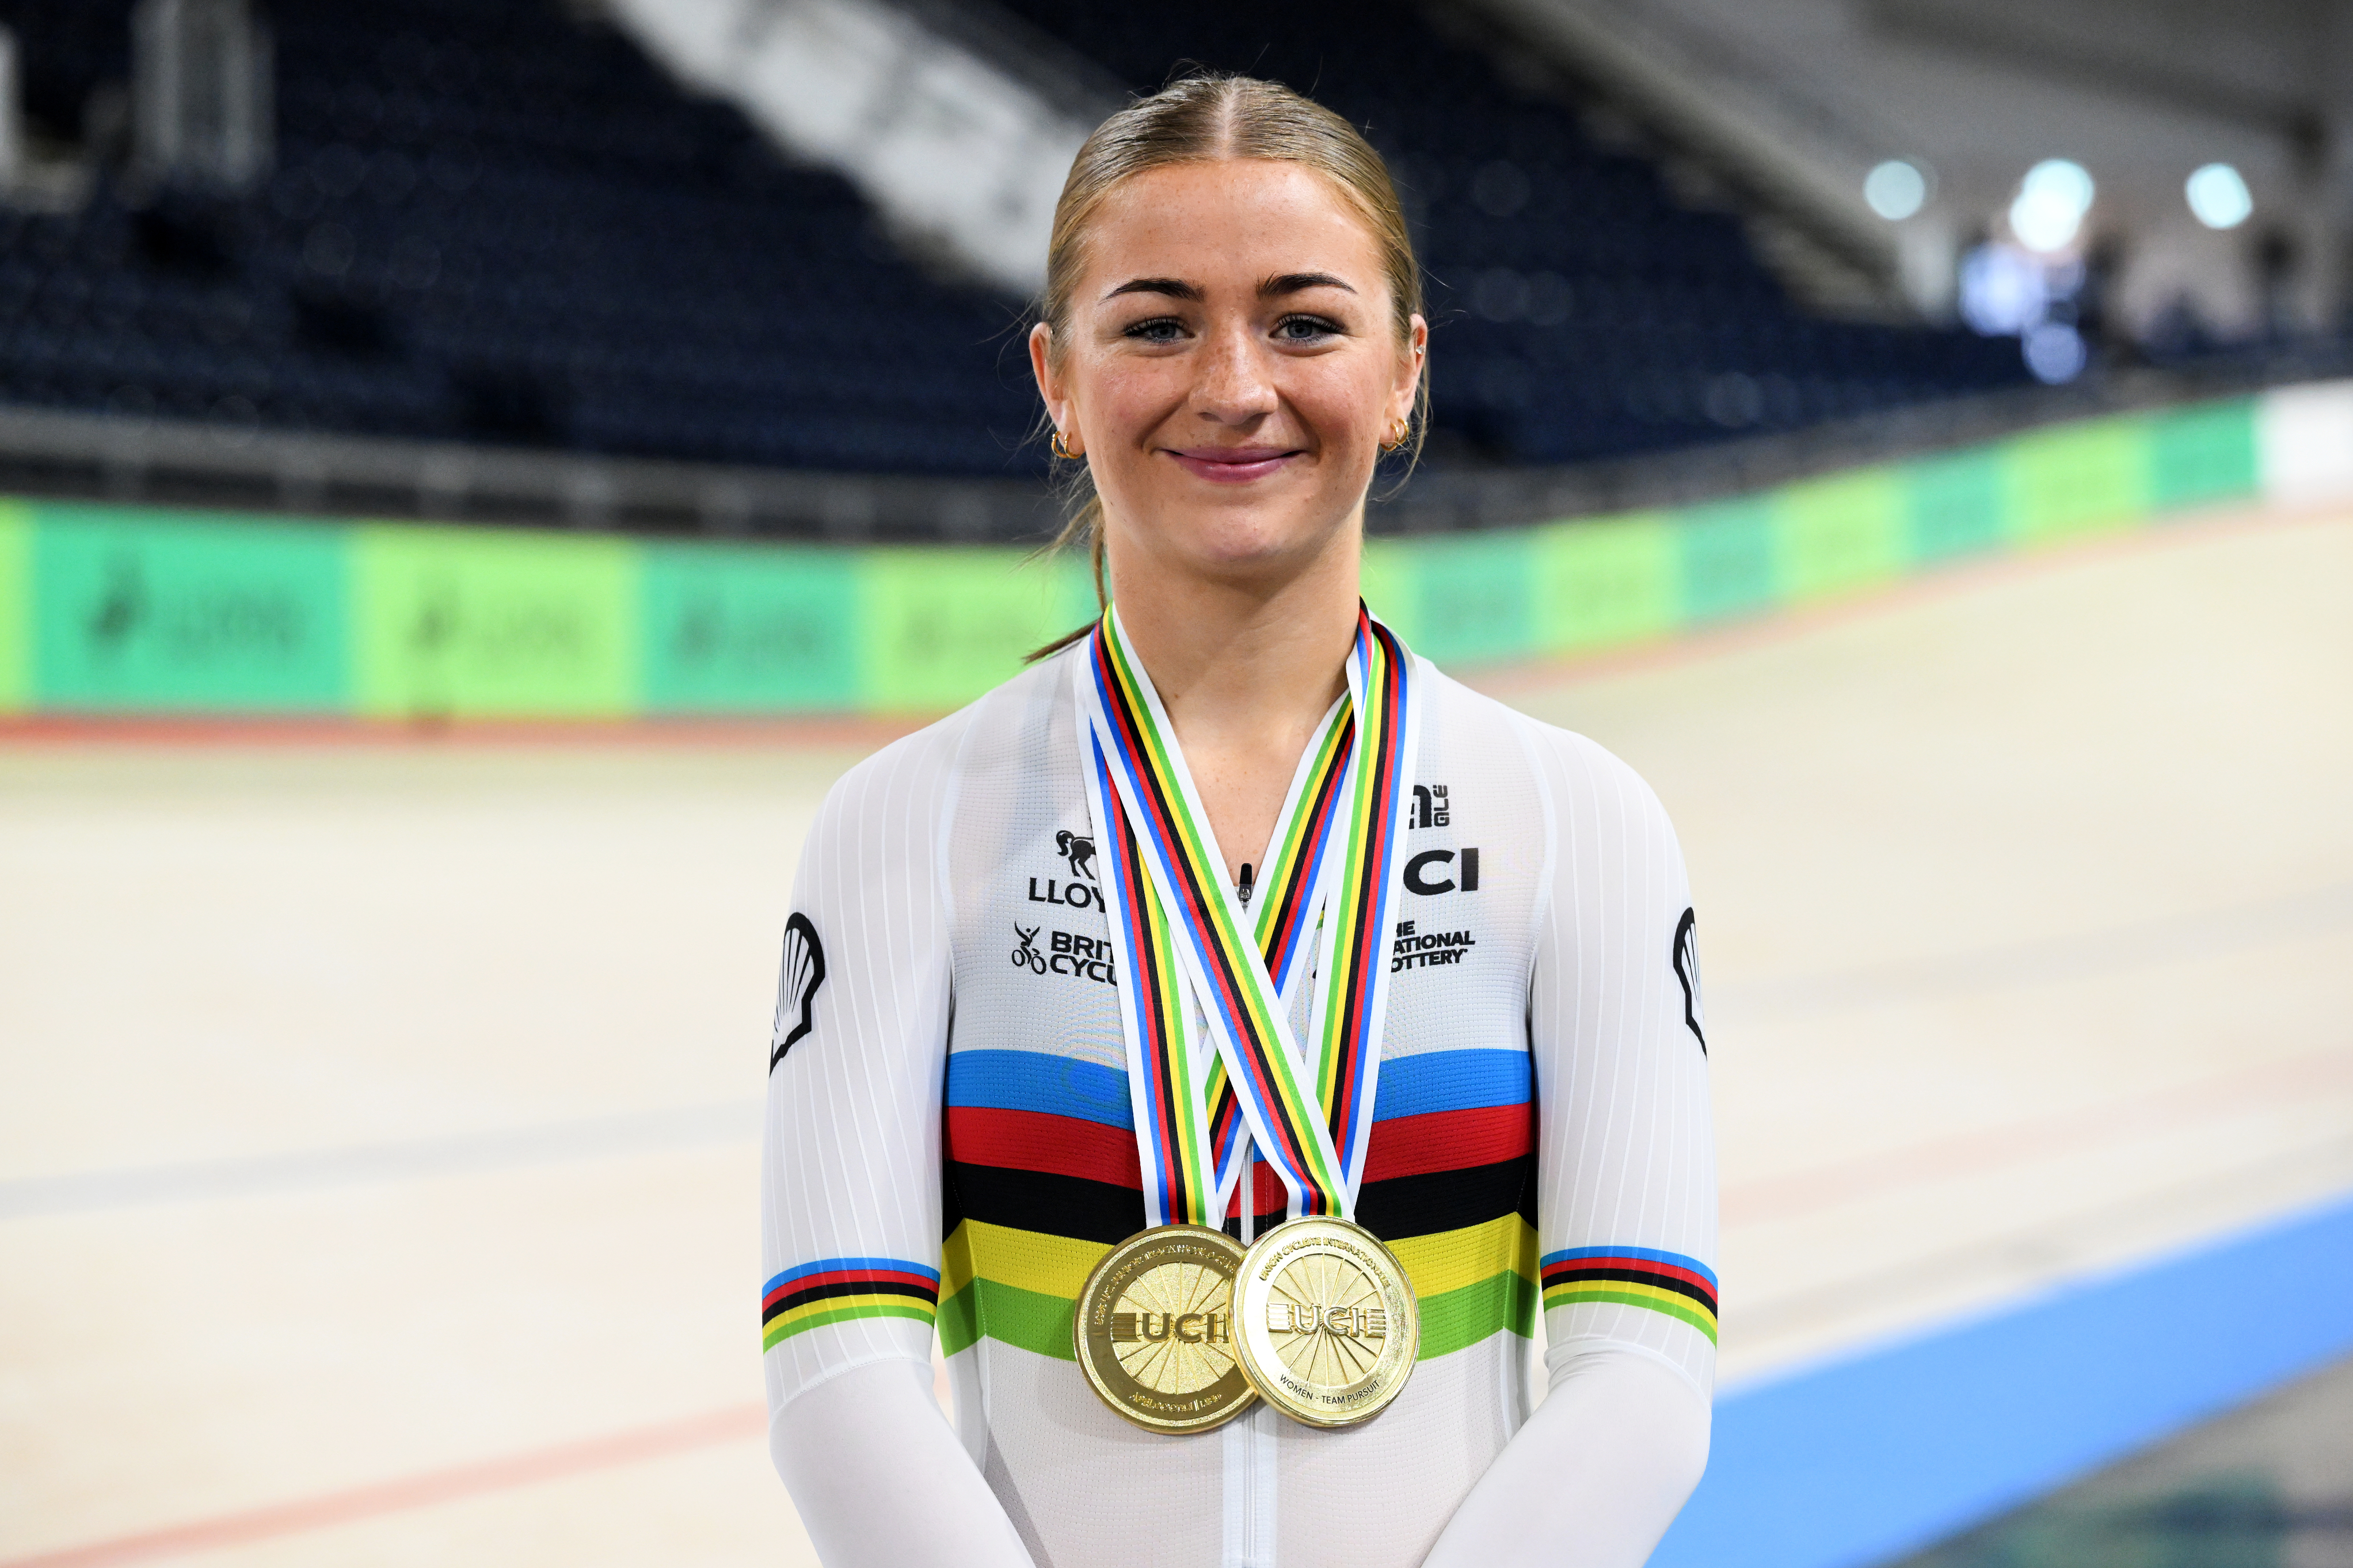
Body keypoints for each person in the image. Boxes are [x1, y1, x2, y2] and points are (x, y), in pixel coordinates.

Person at [760, 74, 1716, 1568]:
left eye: (1304, 323)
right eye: (1156, 325)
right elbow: (839, 1385)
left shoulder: (1581, 823)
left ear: (1405, 372)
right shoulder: (898, 828)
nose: (1232, 385)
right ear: (1057, 379)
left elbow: (1641, 1379)